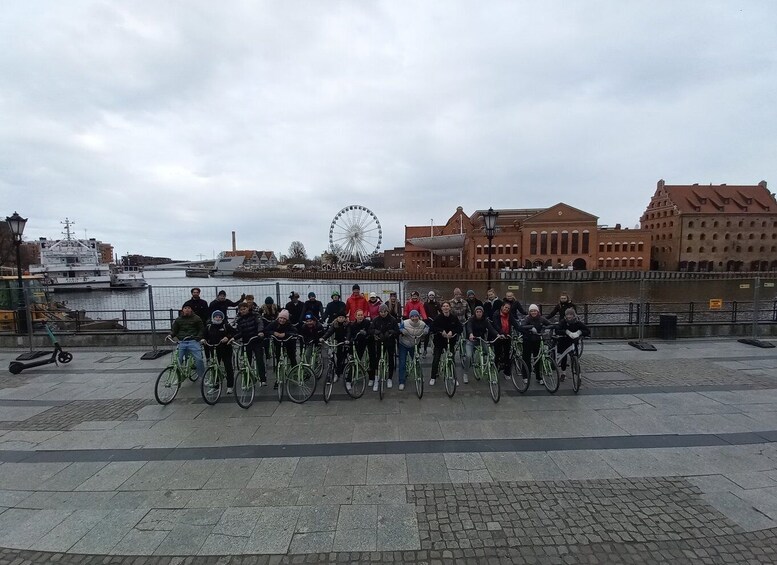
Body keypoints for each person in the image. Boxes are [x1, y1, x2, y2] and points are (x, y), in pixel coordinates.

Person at [233, 302, 267, 386]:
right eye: (241, 310)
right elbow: (239, 332)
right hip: (246, 341)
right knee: (246, 361)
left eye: (244, 309)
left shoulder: (255, 315)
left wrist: (260, 332)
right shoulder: (239, 320)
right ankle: (247, 379)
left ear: (248, 308)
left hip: (256, 340)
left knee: (259, 359)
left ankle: (263, 379)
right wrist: (233, 338)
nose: (243, 311)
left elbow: (260, 323)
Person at [202, 310, 236, 393]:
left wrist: (227, 337)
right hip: (214, 349)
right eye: (216, 317)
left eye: (220, 317)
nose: (218, 318)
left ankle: (230, 386)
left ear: (222, 318)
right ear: (213, 317)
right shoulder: (209, 327)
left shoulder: (226, 326)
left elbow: (234, 332)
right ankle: (216, 386)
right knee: (214, 368)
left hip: (226, 349)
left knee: (228, 366)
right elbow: (203, 335)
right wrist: (203, 339)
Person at [429, 301, 463, 386]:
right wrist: (441, 331)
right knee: (436, 358)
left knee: (452, 359)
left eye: (447, 306)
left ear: (450, 308)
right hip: (439, 341)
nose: (445, 308)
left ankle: (454, 378)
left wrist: (452, 331)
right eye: (444, 306)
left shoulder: (454, 318)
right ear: (441, 308)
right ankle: (433, 377)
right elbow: (432, 328)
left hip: (450, 341)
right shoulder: (438, 318)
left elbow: (460, 328)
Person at [464, 305, 499, 383]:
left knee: (491, 355)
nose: (479, 313)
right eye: (477, 312)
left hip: (481, 339)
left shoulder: (485, 320)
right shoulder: (471, 319)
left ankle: (492, 373)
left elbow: (491, 329)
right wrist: (470, 334)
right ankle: (465, 374)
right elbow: (469, 327)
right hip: (471, 340)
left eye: (480, 312)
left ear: (482, 313)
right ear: (475, 313)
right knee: (468, 356)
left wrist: (497, 335)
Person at [169, 304, 205, 380]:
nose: (187, 309)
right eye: (185, 308)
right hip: (182, 341)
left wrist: (198, 337)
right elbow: (174, 331)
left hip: (193, 341)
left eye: (189, 308)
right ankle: (180, 376)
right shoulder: (178, 320)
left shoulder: (196, 318)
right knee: (178, 359)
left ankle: (202, 376)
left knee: (199, 359)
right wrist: (170, 335)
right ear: (182, 310)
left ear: (191, 309)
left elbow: (201, 329)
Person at [264, 309, 298, 388]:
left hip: (288, 342)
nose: (282, 320)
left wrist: (285, 334)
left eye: (284, 319)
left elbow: (295, 332)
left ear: (287, 319)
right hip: (278, 343)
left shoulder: (289, 325)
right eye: (281, 318)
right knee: (278, 360)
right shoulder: (274, 324)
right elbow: (266, 330)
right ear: (278, 318)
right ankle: (278, 379)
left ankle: (295, 374)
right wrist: (274, 333)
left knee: (292, 357)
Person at [519, 304, 551, 385]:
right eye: (531, 311)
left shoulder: (541, 319)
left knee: (538, 358)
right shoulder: (527, 318)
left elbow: (549, 324)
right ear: (529, 312)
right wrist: (531, 327)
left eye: (535, 311)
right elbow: (522, 326)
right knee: (526, 359)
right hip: (528, 340)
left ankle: (539, 377)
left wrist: (547, 328)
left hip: (537, 340)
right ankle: (525, 376)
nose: (533, 312)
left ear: (538, 311)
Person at [554, 308, 590, 380]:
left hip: (573, 341)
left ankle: (578, 372)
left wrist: (579, 332)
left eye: (571, 315)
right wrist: (566, 332)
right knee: (563, 358)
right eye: (567, 315)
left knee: (575, 356)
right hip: (563, 341)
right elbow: (557, 330)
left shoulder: (577, 322)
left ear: (574, 315)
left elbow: (588, 331)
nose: (569, 316)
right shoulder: (563, 322)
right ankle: (563, 373)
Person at [398, 309, 429, 391]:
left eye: (416, 316)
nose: (414, 318)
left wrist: (426, 331)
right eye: (412, 316)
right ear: (410, 317)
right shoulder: (405, 322)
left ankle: (419, 375)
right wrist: (402, 331)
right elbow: (400, 328)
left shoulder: (422, 324)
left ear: (418, 316)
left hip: (414, 344)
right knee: (402, 363)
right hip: (403, 344)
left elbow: (427, 327)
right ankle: (401, 382)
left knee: (417, 361)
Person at [370, 304, 398, 391]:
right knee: (377, 359)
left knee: (390, 359)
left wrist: (390, 332)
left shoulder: (392, 320)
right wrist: (376, 332)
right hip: (379, 341)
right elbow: (370, 330)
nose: (383, 313)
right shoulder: (376, 320)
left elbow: (397, 330)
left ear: (387, 311)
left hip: (389, 342)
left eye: (384, 312)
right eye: (381, 312)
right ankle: (376, 378)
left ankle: (389, 378)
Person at [491, 302, 521, 380]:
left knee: (507, 355)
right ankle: (494, 371)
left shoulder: (509, 315)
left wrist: (523, 330)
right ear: (502, 307)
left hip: (507, 336)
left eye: (508, 308)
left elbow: (515, 324)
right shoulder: (496, 314)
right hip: (498, 336)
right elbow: (496, 326)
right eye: (505, 307)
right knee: (497, 354)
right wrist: (503, 333)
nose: (506, 309)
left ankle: (507, 372)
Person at [322, 312, 350, 389]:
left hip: (345, 342)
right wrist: (323, 338)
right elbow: (329, 332)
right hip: (337, 342)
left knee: (343, 358)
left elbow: (348, 332)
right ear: (337, 318)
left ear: (345, 318)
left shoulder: (347, 324)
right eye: (339, 317)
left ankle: (340, 372)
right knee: (335, 357)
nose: (341, 319)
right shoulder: (334, 324)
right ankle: (336, 372)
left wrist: (347, 339)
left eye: (342, 317)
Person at [348, 309, 373, 385]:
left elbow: (370, 331)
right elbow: (350, 333)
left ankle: (371, 378)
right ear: (355, 316)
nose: (360, 317)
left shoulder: (367, 322)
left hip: (367, 341)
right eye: (358, 315)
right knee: (355, 360)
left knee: (371, 358)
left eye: (361, 315)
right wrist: (349, 339)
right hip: (358, 343)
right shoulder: (352, 324)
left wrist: (366, 333)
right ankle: (348, 379)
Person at [422, 291, 441, 358]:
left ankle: (436, 349)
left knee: (437, 335)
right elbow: (423, 312)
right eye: (430, 295)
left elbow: (440, 311)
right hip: (428, 321)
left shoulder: (437, 303)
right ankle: (425, 350)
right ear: (428, 296)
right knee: (427, 335)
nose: (431, 297)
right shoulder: (426, 304)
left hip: (435, 321)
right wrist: (425, 319)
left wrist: (439, 318)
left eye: (432, 295)